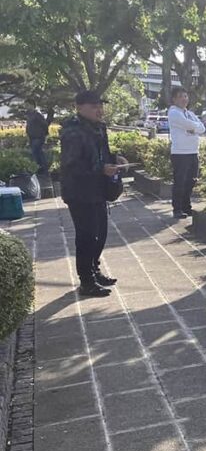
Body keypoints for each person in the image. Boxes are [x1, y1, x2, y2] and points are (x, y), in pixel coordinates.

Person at [59, 90, 129, 298]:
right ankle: (86, 281)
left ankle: (94, 269)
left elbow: (101, 154)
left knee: (100, 233)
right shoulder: (72, 131)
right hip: (79, 191)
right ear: (79, 108)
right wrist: (101, 169)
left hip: (98, 189)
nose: (99, 110)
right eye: (93, 106)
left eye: (100, 105)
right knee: (87, 236)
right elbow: (72, 165)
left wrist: (115, 159)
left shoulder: (99, 127)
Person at [167, 87, 205, 219]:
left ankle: (186, 207)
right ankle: (177, 209)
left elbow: (202, 128)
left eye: (185, 96)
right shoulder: (174, 112)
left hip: (193, 151)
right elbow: (189, 125)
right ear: (174, 99)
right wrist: (194, 127)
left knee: (191, 181)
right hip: (180, 153)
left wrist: (193, 128)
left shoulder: (190, 113)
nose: (184, 99)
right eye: (180, 96)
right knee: (180, 182)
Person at [25, 108, 49, 174]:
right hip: (32, 137)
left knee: (37, 152)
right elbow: (28, 126)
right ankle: (40, 169)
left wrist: (44, 134)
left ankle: (43, 169)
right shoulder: (29, 115)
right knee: (36, 153)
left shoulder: (37, 115)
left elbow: (45, 124)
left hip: (38, 136)